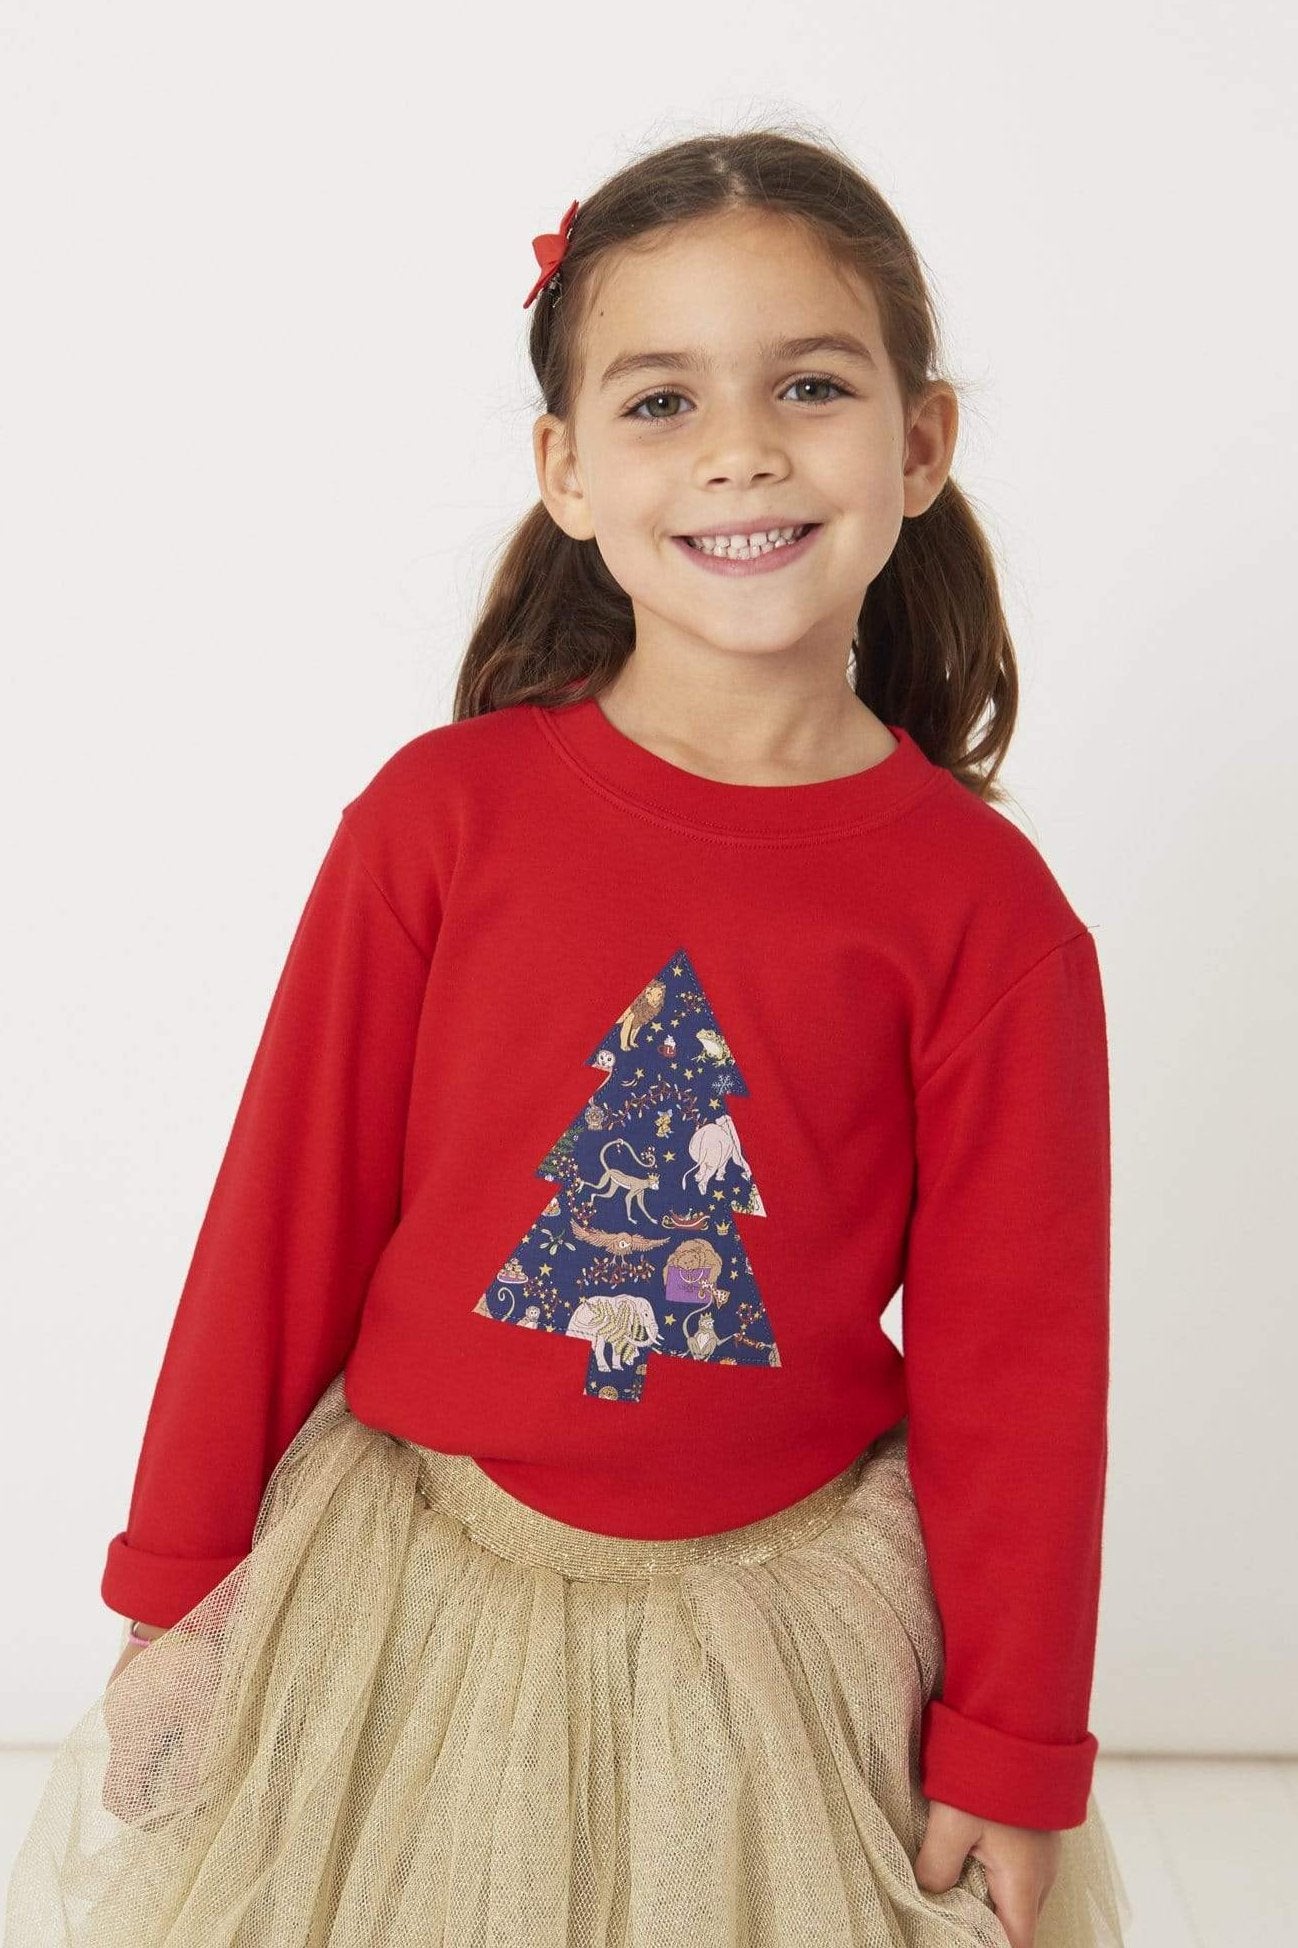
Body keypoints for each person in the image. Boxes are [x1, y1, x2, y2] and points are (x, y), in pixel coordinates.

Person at [4, 126, 1134, 1948]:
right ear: (569, 473)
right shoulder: (440, 821)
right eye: (662, 399)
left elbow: (1021, 1367)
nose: (740, 449)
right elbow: (287, 1214)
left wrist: (1009, 1742)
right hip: (412, 1599)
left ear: (919, 446)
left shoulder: (984, 916)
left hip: (776, 1640)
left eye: (809, 386)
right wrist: (182, 1581)